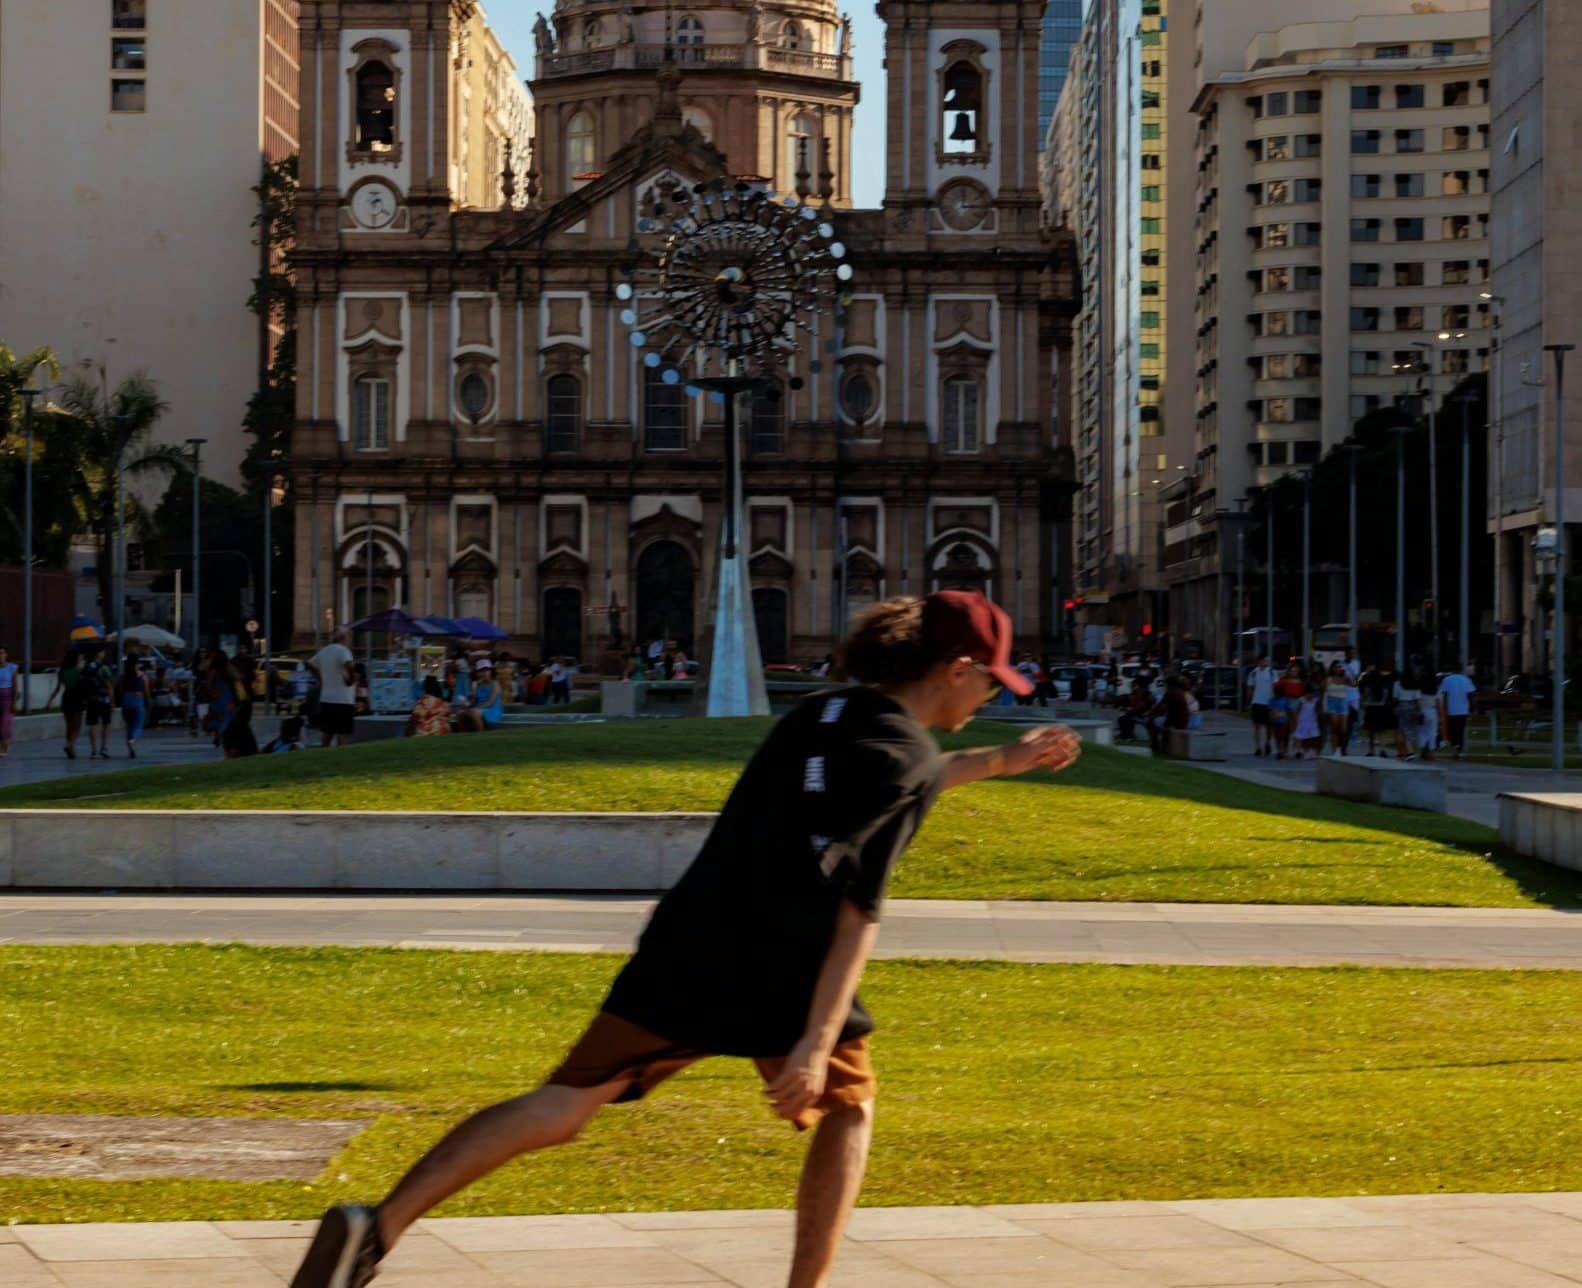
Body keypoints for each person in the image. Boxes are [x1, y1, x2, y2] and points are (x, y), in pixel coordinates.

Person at [289, 591, 1084, 1288]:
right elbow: (857, 914)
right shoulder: (904, 759)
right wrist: (811, 1044)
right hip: (784, 958)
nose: (990, 694)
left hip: (690, 935)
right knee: (848, 1106)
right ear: (957, 667)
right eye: (992, 679)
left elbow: (892, 779)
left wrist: (998, 762)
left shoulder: (825, 713)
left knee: (565, 1104)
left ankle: (378, 1228)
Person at [308, 628, 359, 748]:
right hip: (343, 699)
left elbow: (309, 664)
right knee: (343, 733)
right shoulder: (343, 650)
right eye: (348, 635)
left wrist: (320, 678)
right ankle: (342, 757)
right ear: (344, 637)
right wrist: (352, 678)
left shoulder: (324, 651)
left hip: (326, 698)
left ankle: (323, 756)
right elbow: (349, 665)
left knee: (327, 732)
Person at [47, 648, 86, 760]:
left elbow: (58, 688)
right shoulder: (78, 670)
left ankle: (70, 748)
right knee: (77, 725)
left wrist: (50, 701)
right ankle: (70, 745)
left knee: (69, 726)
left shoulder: (62, 671)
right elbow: (82, 685)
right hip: (77, 697)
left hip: (66, 697)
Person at [78, 645, 116, 760]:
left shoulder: (86, 667)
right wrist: (113, 701)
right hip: (103, 699)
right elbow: (109, 686)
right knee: (105, 724)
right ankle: (103, 748)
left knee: (93, 725)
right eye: (103, 652)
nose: (104, 654)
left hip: (91, 700)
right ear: (99, 654)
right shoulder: (104, 668)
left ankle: (93, 750)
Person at [1438, 663, 1478, 759]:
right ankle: (1459, 748)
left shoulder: (1447, 680)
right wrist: (1472, 707)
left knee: (1452, 730)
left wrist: (1445, 707)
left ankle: (1456, 746)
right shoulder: (1466, 680)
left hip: (1452, 709)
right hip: (1463, 709)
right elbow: (1471, 694)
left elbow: (1444, 695)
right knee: (1460, 730)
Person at [119, 649, 152, 758]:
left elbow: (120, 689)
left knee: (129, 726)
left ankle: (130, 749)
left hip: (126, 700)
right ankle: (132, 740)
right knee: (138, 725)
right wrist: (148, 702)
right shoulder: (142, 676)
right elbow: (146, 691)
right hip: (138, 699)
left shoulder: (123, 675)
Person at [1358, 662, 1394, 757]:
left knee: (1371, 731)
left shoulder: (1368, 682)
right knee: (1381, 730)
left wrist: (1363, 702)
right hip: (1381, 708)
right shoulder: (1383, 681)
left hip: (1370, 707)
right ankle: (1383, 749)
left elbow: (1365, 693)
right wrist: (1383, 702)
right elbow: (1386, 693)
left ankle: (1371, 750)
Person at [1246, 654, 1276, 756]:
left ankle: (1267, 743)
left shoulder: (1272, 673)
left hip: (1269, 702)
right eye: (1264, 660)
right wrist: (1249, 702)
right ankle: (1258, 747)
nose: (1266, 663)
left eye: (1268, 661)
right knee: (1257, 726)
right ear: (1259, 661)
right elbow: (1250, 688)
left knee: (1269, 726)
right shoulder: (1253, 673)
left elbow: (1275, 687)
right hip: (1257, 702)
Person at [1322, 661, 1351, 756]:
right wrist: (1323, 707)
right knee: (1335, 727)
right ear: (1333, 668)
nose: (1338, 669)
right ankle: (1335, 749)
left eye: (1340, 667)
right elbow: (1324, 693)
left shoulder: (1345, 678)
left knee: (1343, 729)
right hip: (1332, 702)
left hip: (1342, 703)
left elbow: (1354, 684)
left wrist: (1349, 674)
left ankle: (1343, 748)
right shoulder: (1328, 679)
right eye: (1336, 667)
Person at [472, 660, 505, 728]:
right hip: (479, 709)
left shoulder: (495, 684)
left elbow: (490, 703)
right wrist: (467, 703)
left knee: (474, 713)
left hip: (492, 711)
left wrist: (475, 708)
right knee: (461, 714)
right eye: (481, 671)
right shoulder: (477, 685)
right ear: (477, 673)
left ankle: (479, 735)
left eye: (487, 670)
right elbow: (473, 702)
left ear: (491, 672)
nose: (484, 673)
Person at [1293, 682, 1322, 758]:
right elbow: (1297, 711)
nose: (1309, 696)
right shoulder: (1301, 700)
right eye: (1308, 694)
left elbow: (1318, 711)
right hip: (1302, 722)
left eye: (1311, 694)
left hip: (1313, 722)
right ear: (1305, 694)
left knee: (1313, 737)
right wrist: (1296, 720)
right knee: (1300, 737)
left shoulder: (1315, 700)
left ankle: (1313, 751)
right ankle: (1301, 751)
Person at [0, 646, 16, 758]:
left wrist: (14, 702)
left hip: (7, 698)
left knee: (5, 723)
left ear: (6, 655)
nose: (0, 656)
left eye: (2, 653)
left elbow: (15, 686)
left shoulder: (12, 668)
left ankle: (5, 748)